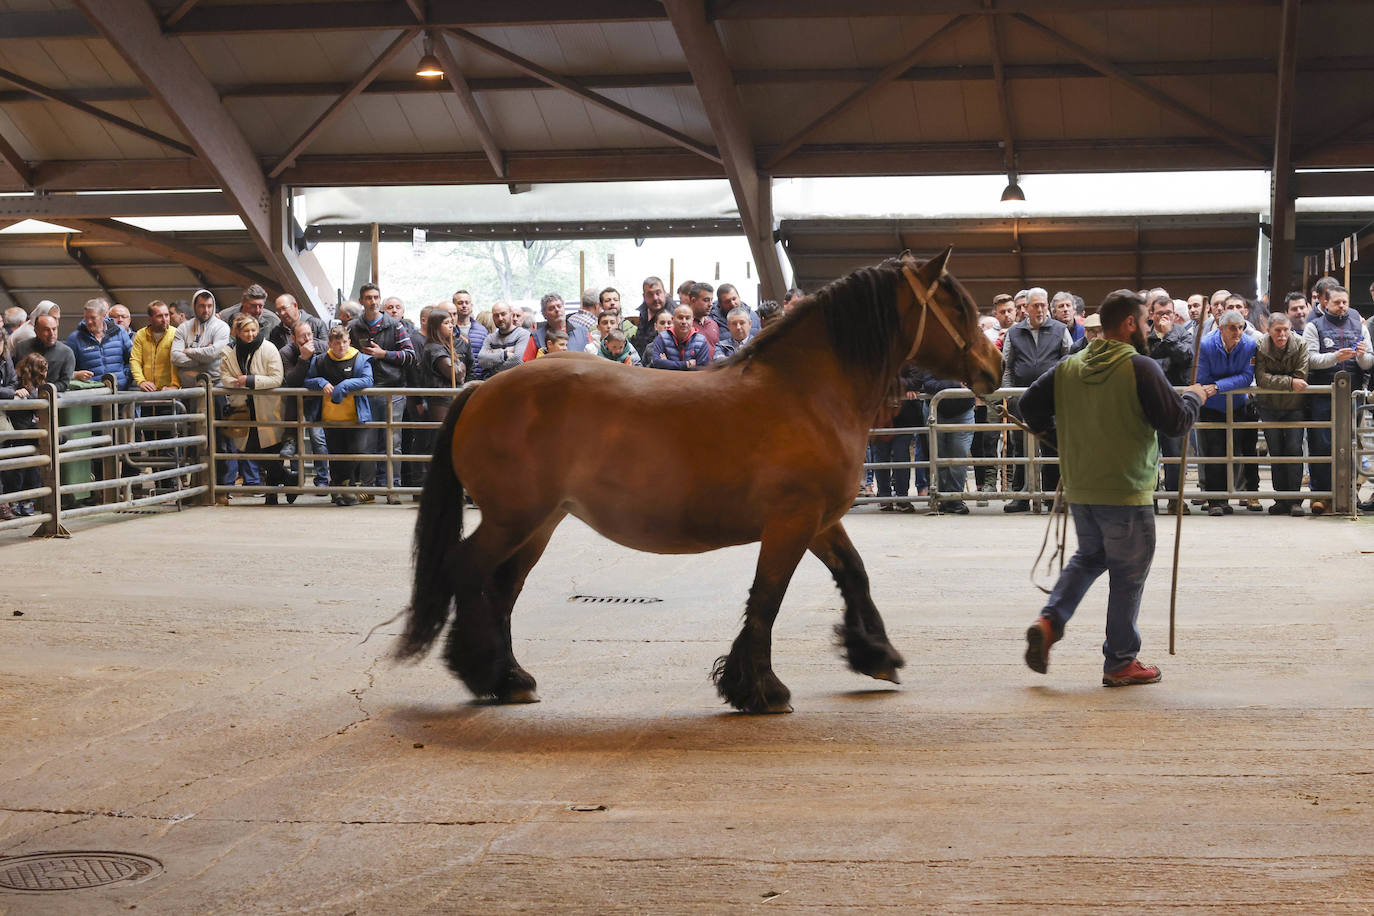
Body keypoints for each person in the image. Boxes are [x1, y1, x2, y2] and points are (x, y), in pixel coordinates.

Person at [1019, 289, 1207, 687]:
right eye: (1145, 322)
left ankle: (1049, 622)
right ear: (1129, 324)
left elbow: (1027, 406)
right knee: (1128, 574)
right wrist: (1193, 397)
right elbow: (1175, 423)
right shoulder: (1141, 367)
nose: (1148, 328)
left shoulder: (1069, 366)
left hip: (1082, 488)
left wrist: (1061, 439)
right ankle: (1120, 661)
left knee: (1090, 557)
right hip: (1126, 490)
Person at [1302, 284, 1372, 514]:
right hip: (1323, 393)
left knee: (1351, 444)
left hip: (1352, 394)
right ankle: (1320, 495)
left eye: (1345, 302)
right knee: (1321, 443)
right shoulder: (1314, 326)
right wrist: (1335, 357)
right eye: (1337, 302)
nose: (1342, 306)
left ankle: (1349, 493)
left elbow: (1369, 361)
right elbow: (1310, 359)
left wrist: (1361, 356)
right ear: (1325, 303)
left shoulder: (1360, 326)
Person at [1000, 287, 1071, 512]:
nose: (1040, 310)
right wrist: (1009, 396)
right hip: (1022, 401)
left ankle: (1052, 497)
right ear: (1026, 308)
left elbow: (1069, 362)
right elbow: (1007, 367)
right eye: (1035, 306)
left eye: (1043, 305)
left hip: (1052, 401)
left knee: (1052, 447)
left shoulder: (1060, 330)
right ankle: (1021, 497)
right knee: (1020, 447)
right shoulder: (1014, 333)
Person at [349, 282, 415, 502]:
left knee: (392, 442)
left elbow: (410, 356)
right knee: (366, 442)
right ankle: (367, 489)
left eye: (376, 297)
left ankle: (392, 488)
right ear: (361, 301)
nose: (373, 301)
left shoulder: (395, 325)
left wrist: (383, 354)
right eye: (368, 297)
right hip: (364, 391)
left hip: (392, 390)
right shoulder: (354, 327)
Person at [1196, 310, 1259, 516]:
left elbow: (1246, 377)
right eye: (1232, 328)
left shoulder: (1250, 345)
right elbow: (1202, 378)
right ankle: (1216, 501)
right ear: (1221, 328)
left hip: (1237, 405)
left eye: (1241, 327)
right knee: (1214, 452)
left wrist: (1218, 386)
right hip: (1211, 407)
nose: (1238, 332)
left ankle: (1230, 497)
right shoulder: (1205, 344)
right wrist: (1220, 386)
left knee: (1235, 451)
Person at [216, 314, 286, 500]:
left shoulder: (269, 348)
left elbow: (277, 378)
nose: (250, 334)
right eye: (246, 331)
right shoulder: (229, 351)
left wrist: (249, 380)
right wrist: (236, 383)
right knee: (249, 450)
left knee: (271, 450)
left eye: (253, 330)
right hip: (242, 406)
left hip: (266, 407)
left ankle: (272, 494)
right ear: (237, 332)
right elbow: (225, 376)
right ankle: (288, 477)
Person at [305, 325, 374, 506]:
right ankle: (341, 492)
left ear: (349, 341)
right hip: (331, 417)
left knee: (356, 451)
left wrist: (344, 385)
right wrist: (321, 382)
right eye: (337, 343)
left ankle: (343, 486)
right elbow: (308, 380)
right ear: (330, 344)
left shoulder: (360, 358)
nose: (341, 346)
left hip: (356, 416)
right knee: (335, 455)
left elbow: (368, 380)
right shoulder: (320, 360)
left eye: (344, 342)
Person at [1253, 312, 1309, 516]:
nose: (1282, 334)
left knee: (1294, 451)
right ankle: (1280, 499)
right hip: (1269, 407)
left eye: (1286, 329)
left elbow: (1301, 376)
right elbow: (1261, 378)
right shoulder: (1260, 345)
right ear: (1269, 330)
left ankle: (1295, 500)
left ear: (1290, 329)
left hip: (1295, 407)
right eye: (1278, 330)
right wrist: (1289, 382)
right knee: (1276, 452)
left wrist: (1280, 381)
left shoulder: (1301, 344)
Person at [1145, 296, 1194, 511]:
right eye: (1160, 313)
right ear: (1151, 314)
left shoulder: (1182, 334)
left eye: (1168, 313)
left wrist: (1168, 337)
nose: (1165, 317)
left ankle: (1175, 499)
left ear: (1175, 314)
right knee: (1149, 454)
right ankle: (1151, 499)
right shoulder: (1144, 335)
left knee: (1175, 453)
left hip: (1174, 403)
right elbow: (1146, 361)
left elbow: (1185, 357)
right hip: (1149, 402)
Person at [278, 320, 328, 495]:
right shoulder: (285, 352)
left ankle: (322, 481)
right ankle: (297, 479)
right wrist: (303, 359)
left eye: (309, 334)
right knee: (294, 440)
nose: (307, 339)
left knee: (318, 439)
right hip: (294, 401)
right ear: (293, 338)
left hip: (318, 400)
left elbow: (329, 373)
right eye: (302, 336)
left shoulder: (323, 347)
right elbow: (291, 380)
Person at [1, 352, 46, 519]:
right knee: (19, 468)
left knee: (29, 466)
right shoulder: (20, 387)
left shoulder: (31, 386)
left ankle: (25, 501)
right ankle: (20, 501)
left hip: (25, 433)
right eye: (43, 369)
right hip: (18, 433)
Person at [171, 289, 230, 388]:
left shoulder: (222, 327)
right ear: (194, 306)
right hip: (188, 387)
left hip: (216, 385)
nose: (206, 310)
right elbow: (175, 357)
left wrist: (189, 351)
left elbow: (213, 353)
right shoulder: (183, 328)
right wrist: (204, 359)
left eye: (209, 306)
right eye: (202, 306)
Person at [67, 298, 132, 389]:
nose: (89, 322)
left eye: (93, 318)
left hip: (121, 391)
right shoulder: (75, 339)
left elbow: (132, 358)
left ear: (104, 316)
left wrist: (125, 376)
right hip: (92, 392)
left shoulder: (119, 332)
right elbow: (65, 369)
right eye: (86, 318)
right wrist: (76, 374)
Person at [13, 314, 74, 391]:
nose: (52, 334)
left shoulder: (66, 353)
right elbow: (12, 377)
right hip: (22, 394)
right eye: (46, 330)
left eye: (54, 329)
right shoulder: (21, 347)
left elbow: (64, 383)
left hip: (50, 395)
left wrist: (43, 390)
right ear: (36, 330)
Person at [130, 300, 177, 392]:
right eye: (159, 316)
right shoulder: (141, 334)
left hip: (169, 391)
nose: (164, 319)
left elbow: (177, 363)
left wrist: (175, 385)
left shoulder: (176, 334)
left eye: (166, 315)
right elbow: (135, 360)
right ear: (150, 318)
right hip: (148, 391)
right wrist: (141, 381)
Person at [477, 301, 532, 378]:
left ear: (511, 315)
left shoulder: (523, 335)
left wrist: (493, 367)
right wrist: (505, 355)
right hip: (494, 383)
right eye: (496, 315)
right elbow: (481, 360)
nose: (500, 318)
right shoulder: (490, 338)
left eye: (503, 314)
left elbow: (519, 360)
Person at [648, 304, 710, 370]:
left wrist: (667, 363)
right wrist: (686, 364)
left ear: (692, 320)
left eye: (687, 318)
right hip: (667, 377)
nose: (684, 322)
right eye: (680, 318)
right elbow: (657, 363)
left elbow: (701, 369)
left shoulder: (702, 341)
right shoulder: (662, 338)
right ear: (673, 319)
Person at [451, 290, 487, 377]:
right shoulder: (449, 330)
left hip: (478, 378)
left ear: (471, 305)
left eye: (467, 302)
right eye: (460, 303)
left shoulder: (482, 331)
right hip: (455, 378)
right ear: (453, 306)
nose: (464, 305)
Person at [524, 293, 566, 360]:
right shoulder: (536, 337)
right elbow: (527, 364)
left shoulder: (581, 332)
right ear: (544, 314)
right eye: (551, 308)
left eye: (559, 306)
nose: (557, 310)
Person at [686, 282, 720, 350]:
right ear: (693, 300)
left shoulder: (713, 324)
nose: (710, 304)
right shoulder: (684, 325)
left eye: (711, 300)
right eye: (706, 300)